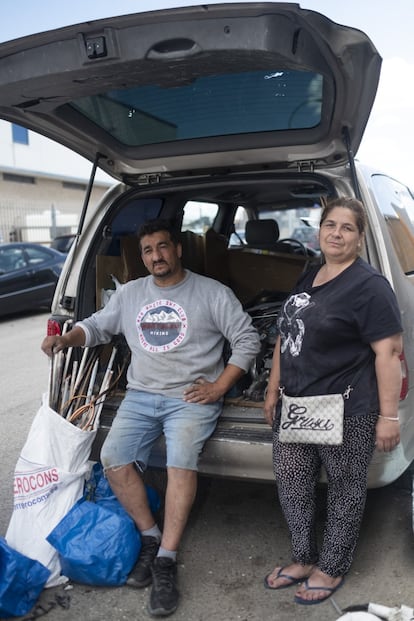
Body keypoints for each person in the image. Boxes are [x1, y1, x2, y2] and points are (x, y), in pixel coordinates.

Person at [42, 219, 260, 617]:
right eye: (147, 250)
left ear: (177, 250)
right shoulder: (130, 294)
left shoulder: (211, 292)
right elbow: (96, 328)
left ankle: (166, 560)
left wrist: (219, 386)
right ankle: (150, 535)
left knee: (180, 463)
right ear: (142, 257)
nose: (156, 256)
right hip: (142, 395)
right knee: (112, 459)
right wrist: (65, 338)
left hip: (191, 398)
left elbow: (247, 338)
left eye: (162, 247)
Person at [263, 198, 403, 605]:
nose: (336, 233)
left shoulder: (369, 286)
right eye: (329, 225)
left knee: (345, 489)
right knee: (292, 485)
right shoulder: (310, 275)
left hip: (347, 408)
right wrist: (273, 388)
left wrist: (389, 417)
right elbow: (285, 335)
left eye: (346, 228)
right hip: (296, 405)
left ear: (360, 238)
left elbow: (388, 353)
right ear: (319, 230)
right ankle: (304, 559)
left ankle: (332, 566)